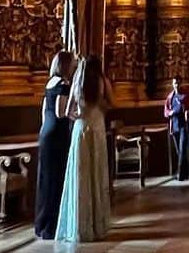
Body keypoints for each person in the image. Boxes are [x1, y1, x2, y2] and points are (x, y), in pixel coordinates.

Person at [55, 54, 115, 244]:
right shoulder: (102, 81)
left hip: (80, 129)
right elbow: (112, 103)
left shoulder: (77, 82)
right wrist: (99, 107)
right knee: (96, 175)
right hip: (97, 128)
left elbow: (66, 112)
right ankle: (97, 224)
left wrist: (80, 116)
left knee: (79, 176)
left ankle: (78, 225)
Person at [35, 51, 75, 240]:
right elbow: (61, 112)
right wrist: (76, 114)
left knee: (45, 179)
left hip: (45, 132)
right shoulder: (63, 84)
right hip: (57, 134)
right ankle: (51, 227)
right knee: (56, 180)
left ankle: (41, 224)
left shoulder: (49, 83)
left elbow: (45, 111)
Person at [165, 77, 189, 182]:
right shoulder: (170, 97)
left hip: (183, 125)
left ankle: (180, 174)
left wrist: (185, 109)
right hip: (175, 126)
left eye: (178, 83)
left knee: (182, 150)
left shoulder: (185, 95)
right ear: (172, 84)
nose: (176, 85)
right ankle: (185, 173)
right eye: (174, 83)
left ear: (181, 83)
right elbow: (166, 111)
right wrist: (170, 113)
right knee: (179, 151)